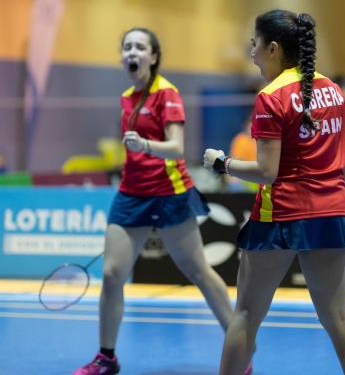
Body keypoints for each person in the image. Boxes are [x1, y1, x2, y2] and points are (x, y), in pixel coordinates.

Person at [203, 10, 345, 375]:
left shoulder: (270, 97)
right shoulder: (334, 91)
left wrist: (222, 163)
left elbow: (266, 171)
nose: (251, 52)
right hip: (331, 215)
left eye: (254, 43)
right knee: (339, 319)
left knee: (245, 316)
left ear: (273, 48)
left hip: (280, 217)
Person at [74, 27, 236, 375]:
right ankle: (106, 357)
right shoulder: (126, 97)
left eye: (140, 47)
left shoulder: (168, 94)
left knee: (198, 272)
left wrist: (145, 146)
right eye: (127, 47)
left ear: (153, 56)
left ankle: (239, 346)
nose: (132, 52)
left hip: (169, 193)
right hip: (131, 194)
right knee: (113, 273)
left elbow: (177, 147)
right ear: (122, 57)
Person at [227, 114, 259, 191]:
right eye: (250, 123)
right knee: (234, 186)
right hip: (245, 180)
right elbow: (233, 165)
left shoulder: (266, 141)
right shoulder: (240, 140)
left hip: (261, 181)